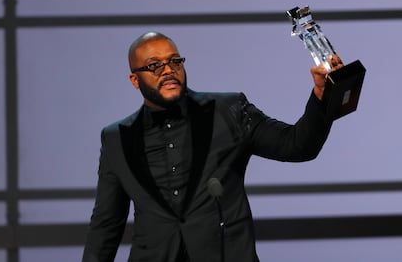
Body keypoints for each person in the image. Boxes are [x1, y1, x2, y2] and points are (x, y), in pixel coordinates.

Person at [82, 31, 343, 262]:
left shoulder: (229, 111)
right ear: (134, 80)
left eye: (175, 61)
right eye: (154, 65)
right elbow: (106, 225)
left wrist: (322, 98)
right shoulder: (116, 138)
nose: (168, 70)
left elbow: (297, 146)